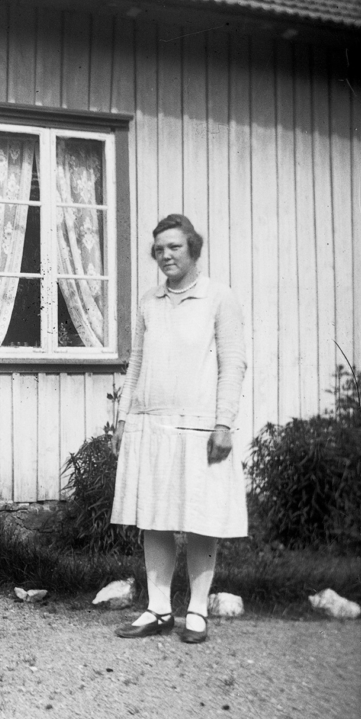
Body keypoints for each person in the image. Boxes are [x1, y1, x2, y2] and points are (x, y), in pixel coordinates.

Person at [110, 214, 249, 644]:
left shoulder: (218, 297)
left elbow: (233, 364)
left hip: (200, 426)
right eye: (159, 249)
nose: (165, 255)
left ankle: (197, 611)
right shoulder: (149, 302)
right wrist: (123, 417)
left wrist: (224, 423)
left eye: (174, 247)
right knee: (154, 517)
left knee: (200, 518)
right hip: (151, 423)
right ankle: (158, 609)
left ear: (193, 248)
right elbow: (136, 362)